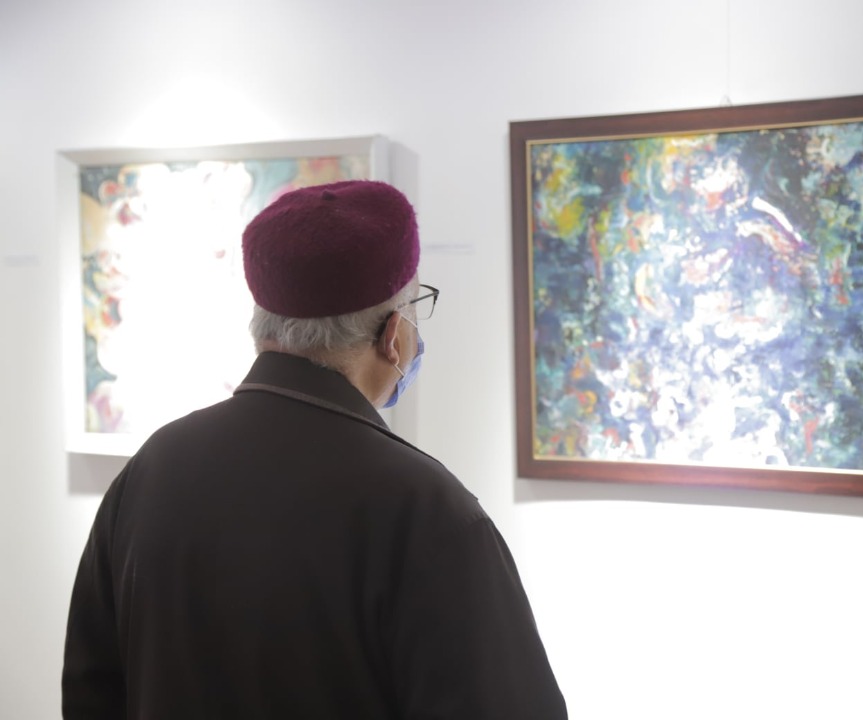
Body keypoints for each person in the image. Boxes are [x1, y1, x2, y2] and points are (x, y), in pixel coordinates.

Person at [62, 180, 567, 719]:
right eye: (417, 306)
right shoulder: (425, 509)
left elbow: (92, 690)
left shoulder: (154, 468)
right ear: (393, 334)